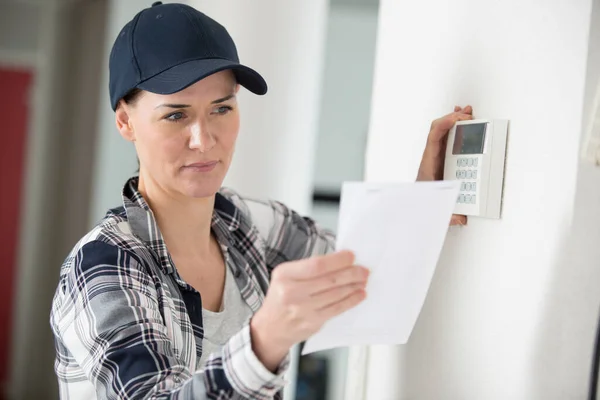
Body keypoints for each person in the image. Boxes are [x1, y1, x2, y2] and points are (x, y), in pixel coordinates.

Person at [49, 2, 471, 399]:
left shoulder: (247, 223)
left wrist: (424, 199)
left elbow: (364, 276)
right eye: (175, 115)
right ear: (126, 121)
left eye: (222, 108)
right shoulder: (104, 264)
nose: (204, 139)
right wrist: (264, 340)